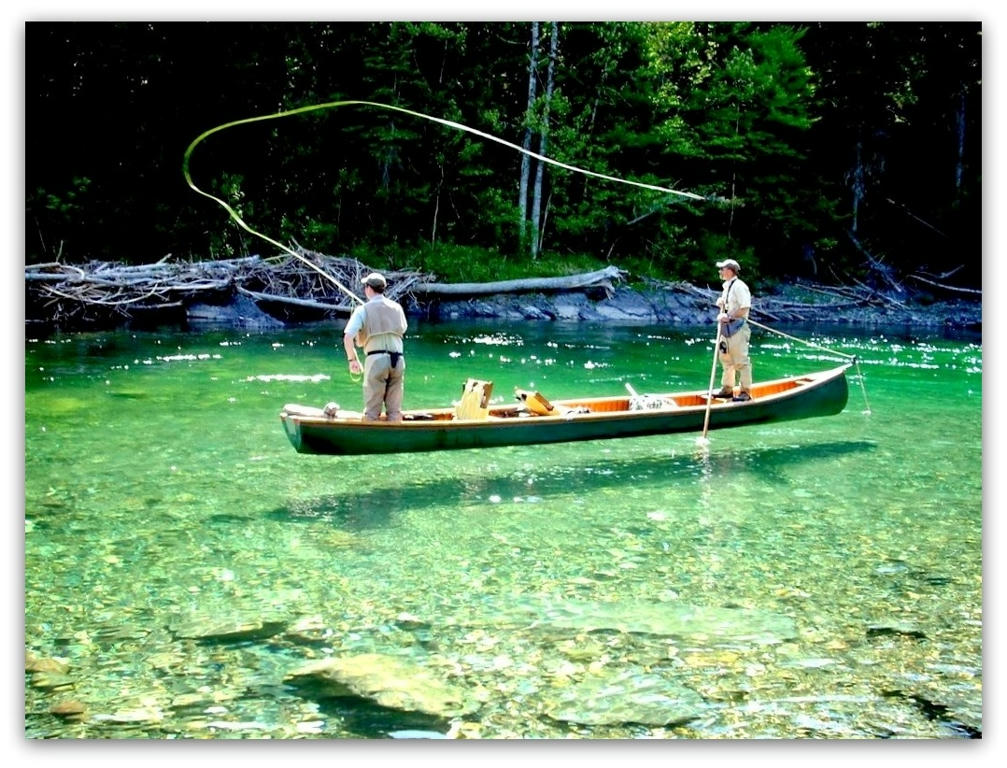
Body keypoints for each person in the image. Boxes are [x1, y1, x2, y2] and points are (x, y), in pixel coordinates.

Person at [343, 272, 408, 421]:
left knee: (371, 412)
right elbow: (403, 329)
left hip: (376, 361)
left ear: (368, 288)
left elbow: (348, 337)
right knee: (395, 411)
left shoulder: (362, 310)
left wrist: (352, 360)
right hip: (398, 361)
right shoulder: (397, 308)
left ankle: (371, 432)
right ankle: (395, 431)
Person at [712, 258, 753, 402]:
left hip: (738, 328)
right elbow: (732, 305)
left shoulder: (739, 286)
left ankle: (745, 392)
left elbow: (744, 308)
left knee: (741, 361)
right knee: (726, 359)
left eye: (722, 269)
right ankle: (727, 389)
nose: (720, 271)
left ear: (729, 271)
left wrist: (728, 316)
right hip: (727, 329)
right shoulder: (727, 286)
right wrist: (722, 303)